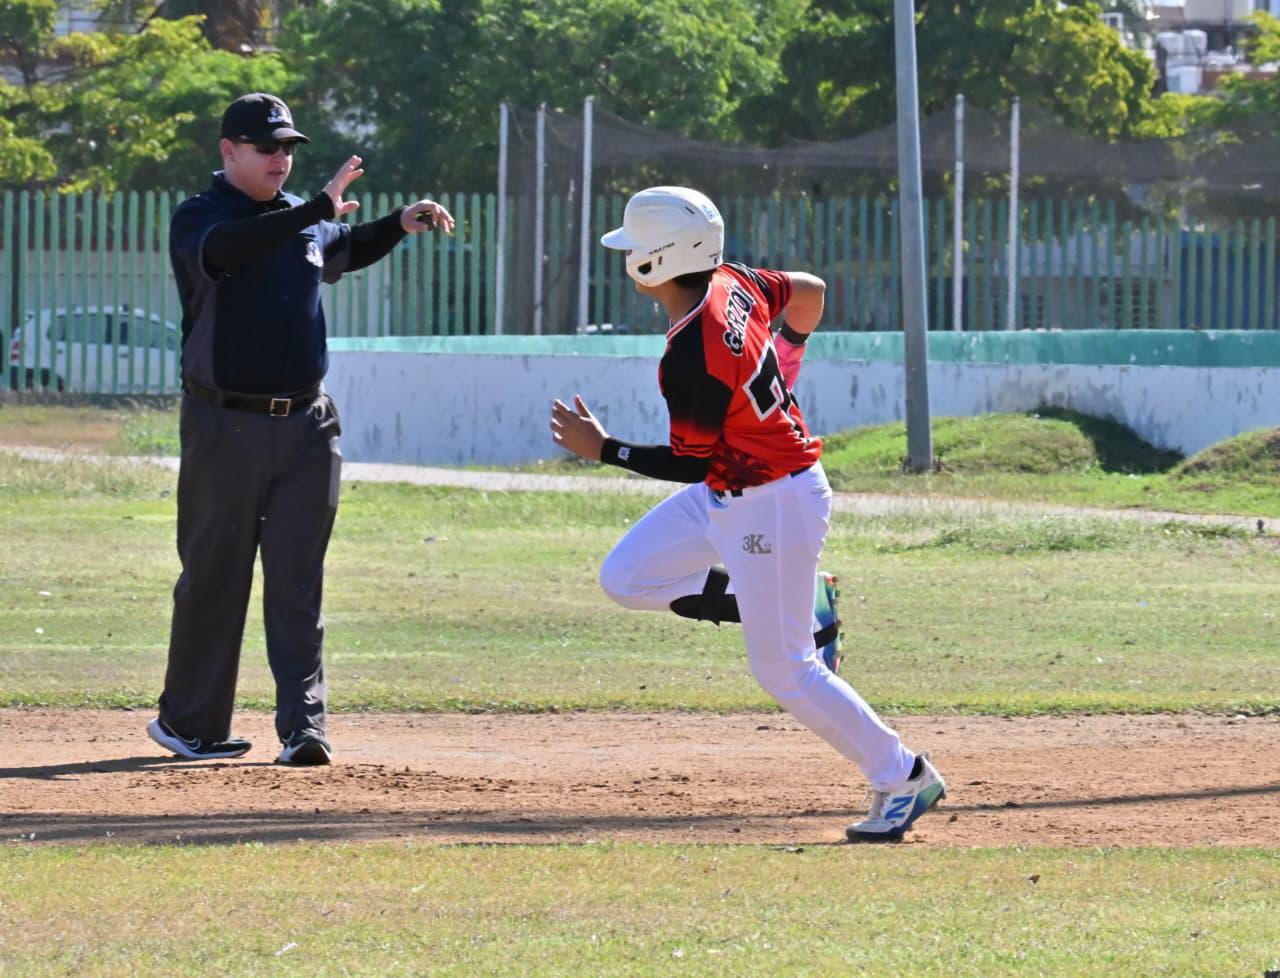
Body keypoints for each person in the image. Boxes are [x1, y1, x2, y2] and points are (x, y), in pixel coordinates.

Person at [550, 186, 945, 841]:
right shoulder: (734, 281)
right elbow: (811, 291)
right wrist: (783, 362)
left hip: (771, 499)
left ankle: (902, 775)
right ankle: (794, 601)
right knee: (625, 575)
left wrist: (604, 449)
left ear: (654, 262)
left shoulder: (689, 354)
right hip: (740, 489)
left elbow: (690, 462)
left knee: (784, 668)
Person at [147, 92, 454, 766]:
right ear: (229, 151)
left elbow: (345, 243)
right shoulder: (203, 218)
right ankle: (190, 724)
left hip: (308, 428)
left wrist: (398, 223)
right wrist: (315, 209)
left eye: (288, 147)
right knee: (215, 576)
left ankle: (304, 727)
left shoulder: (302, 220)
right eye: (267, 146)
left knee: (297, 580)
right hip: (224, 426)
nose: (281, 158)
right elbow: (234, 249)